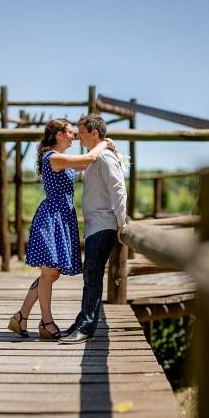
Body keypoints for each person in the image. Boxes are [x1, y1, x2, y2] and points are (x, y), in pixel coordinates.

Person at [7, 118, 114, 340]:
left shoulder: (62, 159)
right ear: (59, 135)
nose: (74, 135)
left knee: (51, 273)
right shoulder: (53, 158)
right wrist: (104, 142)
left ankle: (21, 316)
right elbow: (90, 157)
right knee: (49, 273)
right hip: (52, 217)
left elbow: (87, 163)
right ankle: (46, 323)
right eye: (70, 132)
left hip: (63, 217)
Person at [59, 114, 127, 344]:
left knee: (93, 274)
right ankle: (82, 322)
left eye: (81, 133)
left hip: (104, 224)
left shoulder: (105, 158)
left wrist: (121, 222)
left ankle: (87, 327)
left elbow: (118, 189)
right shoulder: (94, 158)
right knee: (91, 274)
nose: (78, 137)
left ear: (94, 133)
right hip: (95, 225)